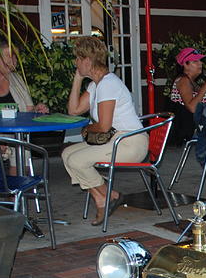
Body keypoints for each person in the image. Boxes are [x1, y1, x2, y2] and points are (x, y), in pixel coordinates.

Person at [62, 36, 147, 226]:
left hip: (129, 143)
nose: (76, 62)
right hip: (114, 140)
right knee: (67, 154)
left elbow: (103, 126)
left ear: (87, 60)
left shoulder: (108, 84)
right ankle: (104, 198)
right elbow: (73, 110)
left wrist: (86, 129)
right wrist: (77, 78)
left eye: (78, 59)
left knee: (76, 160)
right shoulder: (96, 84)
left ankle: (110, 196)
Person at [168, 47, 206, 146]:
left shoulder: (191, 82)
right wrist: (205, 87)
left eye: (200, 61)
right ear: (185, 64)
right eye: (195, 61)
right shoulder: (183, 81)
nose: (200, 64)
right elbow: (192, 107)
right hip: (193, 130)